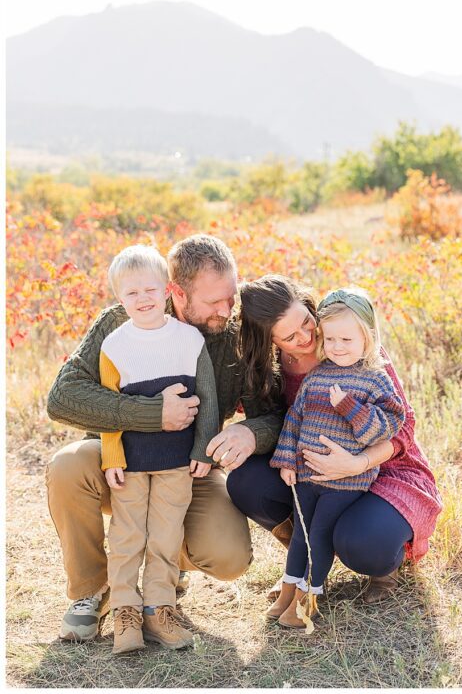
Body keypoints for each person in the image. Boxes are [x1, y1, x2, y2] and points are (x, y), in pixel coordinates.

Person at [46, 235, 283, 643]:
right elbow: (62, 397)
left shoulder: (235, 335)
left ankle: (165, 578)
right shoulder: (119, 321)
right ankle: (93, 590)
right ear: (177, 293)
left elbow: (274, 414)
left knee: (229, 557)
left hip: (187, 469)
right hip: (118, 464)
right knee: (67, 465)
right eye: (214, 302)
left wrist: (249, 430)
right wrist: (153, 414)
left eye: (231, 297)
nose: (226, 310)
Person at [227, 275, 441, 607]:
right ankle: (304, 563)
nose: (307, 336)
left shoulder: (352, 345)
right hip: (314, 474)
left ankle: (384, 566)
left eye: (306, 322)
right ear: (270, 341)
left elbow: (403, 426)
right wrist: (252, 434)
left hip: (383, 469)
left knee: (363, 543)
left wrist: (358, 462)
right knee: (246, 481)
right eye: (290, 336)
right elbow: (281, 422)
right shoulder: (271, 369)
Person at [98, 245, 217, 653]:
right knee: (127, 536)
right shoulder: (114, 345)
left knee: (166, 536)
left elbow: (209, 398)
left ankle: (158, 610)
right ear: (119, 299)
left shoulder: (188, 339)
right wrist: (112, 455)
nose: (143, 299)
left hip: (176, 463)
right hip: (130, 463)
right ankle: (125, 612)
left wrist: (202, 448)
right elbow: (108, 408)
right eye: (131, 294)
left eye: (150, 289)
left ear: (167, 290)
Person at [267, 287, 405, 629]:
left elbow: (386, 427)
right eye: (330, 339)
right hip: (307, 476)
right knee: (300, 532)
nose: (338, 347)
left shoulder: (375, 379)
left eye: (347, 339)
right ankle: (288, 590)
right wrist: (286, 460)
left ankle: (308, 601)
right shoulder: (317, 376)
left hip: (346, 482)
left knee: (319, 534)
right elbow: (295, 419)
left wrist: (349, 408)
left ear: (367, 338)